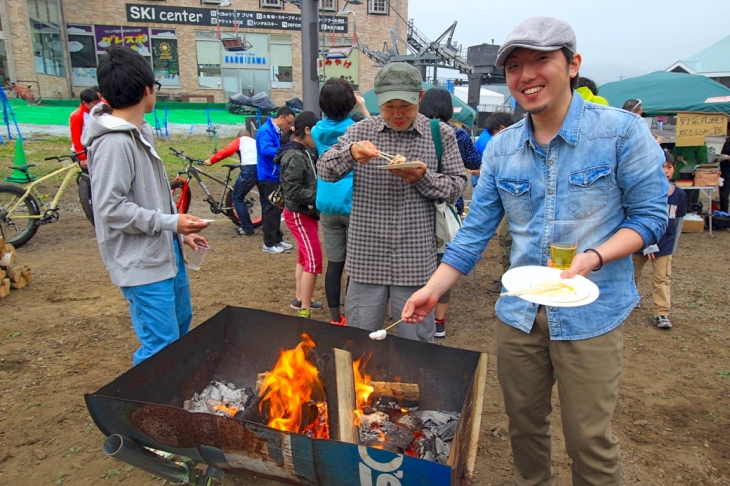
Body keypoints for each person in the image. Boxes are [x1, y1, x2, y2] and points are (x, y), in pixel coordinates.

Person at [402, 16, 668, 484]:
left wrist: (595, 257)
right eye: (515, 66)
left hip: (592, 311)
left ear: (572, 64)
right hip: (520, 313)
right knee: (524, 429)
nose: (526, 75)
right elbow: (473, 233)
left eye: (541, 60)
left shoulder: (621, 132)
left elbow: (650, 219)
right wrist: (432, 288)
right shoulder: (502, 149)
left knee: (588, 437)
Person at [318, 62, 467, 343]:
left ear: (420, 98)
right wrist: (350, 153)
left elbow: (457, 186)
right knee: (358, 342)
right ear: (377, 99)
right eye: (389, 106)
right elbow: (325, 170)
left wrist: (422, 179)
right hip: (366, 258)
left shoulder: (441, 135)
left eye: (406, 106)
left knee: (417, 344)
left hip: (416, 261)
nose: (397, 114)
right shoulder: (361, 132)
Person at [82, 46, 209, 366]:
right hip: (142, 266)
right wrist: (172, 224)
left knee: (180, 330)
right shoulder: (113, 142)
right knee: (160, 348)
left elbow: (152, 198)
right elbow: (111, 209)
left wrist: (179, 233)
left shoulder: (140, 132)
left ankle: (172, 399)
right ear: (145, 90)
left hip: (166, 255)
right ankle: (146, 409)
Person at [418, 87, 480, 337]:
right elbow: (474, 163)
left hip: (417, 208)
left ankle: (412, 309)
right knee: (444, 263)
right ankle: (439, 322)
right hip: (447, 208)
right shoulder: (459, 135)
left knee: (417, 262)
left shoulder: (415, 132)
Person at [311, 78, 370, 326]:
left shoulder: (315, 130)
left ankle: (335, 317)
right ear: (349, 104)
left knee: (335, 263)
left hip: (327, 201)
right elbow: (372, 125)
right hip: (353, 202)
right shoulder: (357, 129)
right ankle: (354, 313)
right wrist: (363, 107)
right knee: (355, 265)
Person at [633, 150, 687, 330]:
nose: (665, 171)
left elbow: (678, 222)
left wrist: (672, 246)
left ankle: (661, 312)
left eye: (669, 167)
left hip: (665, 247)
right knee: (632, 274)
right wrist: (648, 246)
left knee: (662, 279)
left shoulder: (679, 195)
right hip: (642, 243)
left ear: (674, 169)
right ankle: (631, 299)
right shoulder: (645, 193)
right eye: (661, 166)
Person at [276, 112, 323, 319]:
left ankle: (300, 298)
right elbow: (292, 192)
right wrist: (320, 196)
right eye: (316, 132)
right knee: (314, 259)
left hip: (305, 212)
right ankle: (304, 309)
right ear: (306, 130)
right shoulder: (295, 155)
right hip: (299, 213)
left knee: (305, 257)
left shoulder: (303, 151)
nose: (318, 138)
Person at [256, 107, 296, 255]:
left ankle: (277, 239)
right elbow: (265, 150)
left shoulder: (274, 131)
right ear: (281, 118)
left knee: (277, 208)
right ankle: (269, 242)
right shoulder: (265, 131)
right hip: (268, 176)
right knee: (271, 209)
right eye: (289, 122)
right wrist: (284, 152)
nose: (289, 126)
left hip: (274, 175)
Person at [203, 129, 258, 236]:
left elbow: (227, 151)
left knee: (237, 198)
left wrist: (211, 161)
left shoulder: (241, 140)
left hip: (249, 169)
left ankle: (247, 228)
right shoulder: (255, 142)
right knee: (265, 199)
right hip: (261, 169)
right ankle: (269, 226)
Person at [69, 88, 101, 169]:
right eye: (94, 103)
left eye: (98, 102)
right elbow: (76, 138)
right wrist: (82, 157)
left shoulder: (94, 111)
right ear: (84, 103)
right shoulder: (77, 116)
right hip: (83, 152)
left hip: (93, 150)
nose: (97, 105)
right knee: (87, 178)